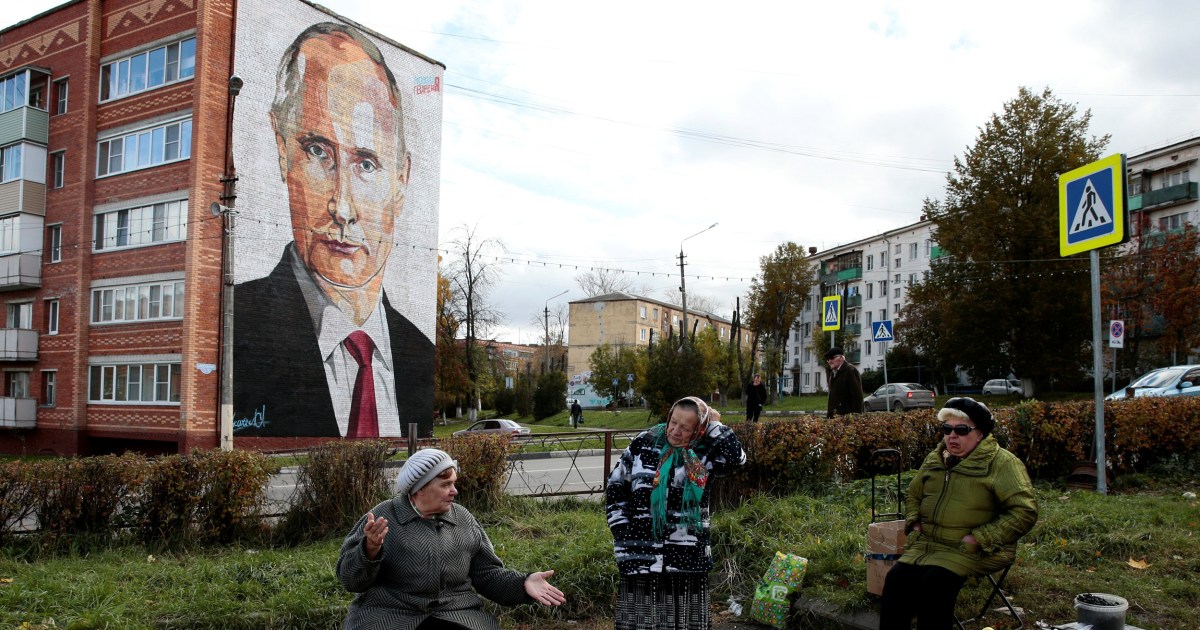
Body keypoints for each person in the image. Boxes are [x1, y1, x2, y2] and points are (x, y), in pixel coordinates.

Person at [234, 23, 434, 438]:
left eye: (366, 164)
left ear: (401, 179)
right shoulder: (236, 329)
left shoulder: (419, 353)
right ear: (281, 149)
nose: (342, 208)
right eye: (317, 152)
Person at [337, 448, 565, 628]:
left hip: (456, 614)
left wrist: (523, 583)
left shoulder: (462, 518)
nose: (454, 491)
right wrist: (369, 549)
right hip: (390, 615)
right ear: (419, 490)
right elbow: (350, 580)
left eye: (453, 483)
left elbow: (487, 574)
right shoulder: (385, 516)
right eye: (446, 484)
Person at [879, 397, 1038, 630]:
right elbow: (914, 494)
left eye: (961, 430)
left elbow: (1025, 511)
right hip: (928, 544)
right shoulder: (936, 459)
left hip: (975, 548)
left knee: (935, 583)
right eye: (947, 429)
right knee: (896, 581)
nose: (952, 436)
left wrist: (979, 538)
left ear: (980, 433)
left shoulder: (1002, 463)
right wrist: (914, 523)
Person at [605, 396, 747, 629]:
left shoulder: (705, 451)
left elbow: (736, 459)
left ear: (699, 429)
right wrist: (621, 529)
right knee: (639, 621)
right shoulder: (645, 442)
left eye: (685, 427)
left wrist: (714, 425)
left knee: (684, 623)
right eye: (673, 422)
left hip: (688, 558)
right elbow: (616, 486)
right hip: (640, 552)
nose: (675, 431)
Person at [824, 347, 864, 418]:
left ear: (842, 358)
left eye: (832, 358)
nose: (829, 361)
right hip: (835, 417)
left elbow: (857, 396)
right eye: (828, 359)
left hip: (846, 417)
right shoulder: (833, 373)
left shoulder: (850, 370)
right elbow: (832, 397)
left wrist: (856, 417)